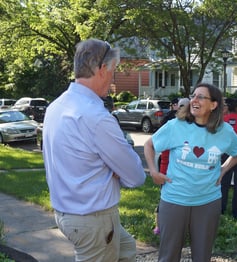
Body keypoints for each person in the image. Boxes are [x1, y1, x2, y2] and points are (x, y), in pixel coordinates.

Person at [42, 38, 146, 262]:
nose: (114, 77)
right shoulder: (96, 117)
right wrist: (114, 169)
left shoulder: (56, 106)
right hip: (92, 219)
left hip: (67, 212)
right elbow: (136, 176)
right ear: (102, 69)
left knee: (126, 248)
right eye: (114, 70)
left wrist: (111, 168)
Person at [144, 83, 237, 262]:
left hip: (207, 201)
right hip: (174, 199)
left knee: (202, 256)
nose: (194, 100)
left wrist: (223, 169)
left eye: (201, 97)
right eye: (193, 96)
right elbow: (149, 145)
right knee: (168, 256)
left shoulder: (224, 131)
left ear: (213, 105)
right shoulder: (176, 125)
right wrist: (153, 171)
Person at [153, 97, 190, 235]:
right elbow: (153, 143)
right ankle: (161, 226)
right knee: (165, 198)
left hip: (174, 165)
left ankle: (172, 226)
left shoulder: (191, 124)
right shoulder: (171, 121)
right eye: (179, 105)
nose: (180, 108)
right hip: (167, 164)